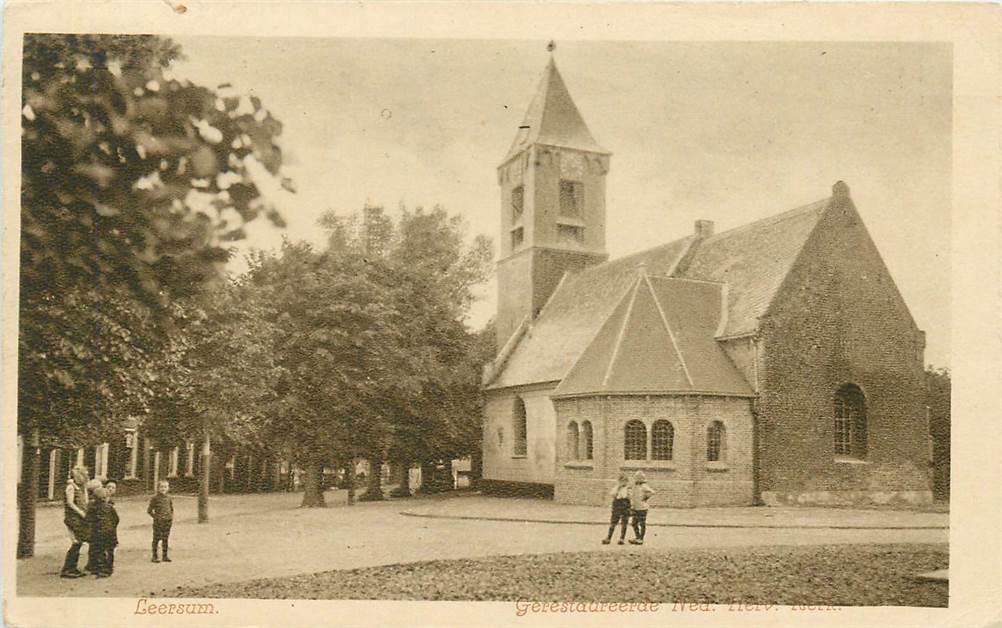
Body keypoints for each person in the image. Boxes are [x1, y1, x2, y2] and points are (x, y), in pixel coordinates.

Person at [60, 466, 91, 578]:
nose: (86, 477)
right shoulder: (71, 487)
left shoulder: (81, 487)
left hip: (80, 518)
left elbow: (85, 501)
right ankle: (67, 569)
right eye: (84, 475)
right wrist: (81, 513)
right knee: (76, 542)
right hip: (73, 518)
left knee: (79, 541)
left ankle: (72, 567)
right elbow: (70, 503)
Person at [86, 486, 119, 577]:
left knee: (99, 551)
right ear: (106, 498)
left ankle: (99, 568)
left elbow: (88, 519)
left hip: (98, 532)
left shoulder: (92, 507)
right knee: (109, 551)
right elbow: (116, 519)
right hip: (110, 532)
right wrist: (112, 527)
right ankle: (108, 569)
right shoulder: (110, 507)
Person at [147, 480, 174, 563]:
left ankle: (165, 556)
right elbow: (149, 510)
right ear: (158, 488)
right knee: (156, 538)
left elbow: (171, 508)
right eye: (161, 487)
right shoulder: (155, 498)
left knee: (165, 539)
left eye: (165, 487)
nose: (163, 489)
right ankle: (154, 556)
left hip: (167, 521)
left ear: (168, 488)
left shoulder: (169, 498)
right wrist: (156, 517)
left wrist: (170, 517)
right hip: (158, 522)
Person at [602, 474, 632, 545]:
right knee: (613, 522)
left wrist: (628, 495)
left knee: (624, 523)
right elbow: (612, 494)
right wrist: (618, 488)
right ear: (619, 481)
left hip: (625, 505)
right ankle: (608, 538)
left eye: (625, 481)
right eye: (622, 481)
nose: (623, 483)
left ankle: (622, 538)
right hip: (617, 505)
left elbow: (630, 496)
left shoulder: (628, 488)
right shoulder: (616, 488)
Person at [629, 471, 655, 545]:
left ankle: (641, 539)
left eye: (636, 478)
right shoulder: (634, 486)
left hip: (642, 508)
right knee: (634, 523)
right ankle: (637, 537)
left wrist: (646, 497)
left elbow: (652, 492)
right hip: (635, 508)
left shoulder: (644, 486)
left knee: (642, 523)